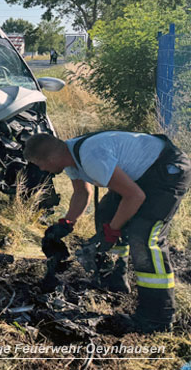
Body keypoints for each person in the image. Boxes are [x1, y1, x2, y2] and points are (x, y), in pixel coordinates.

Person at [24, 131, 190, 333]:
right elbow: (82, 193)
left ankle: (158, 317)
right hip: (144, 175)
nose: (41, 169)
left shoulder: (90, 156)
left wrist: (112, 230)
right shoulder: (69, 156)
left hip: (167, 171)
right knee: (106, 212)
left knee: (144, 237)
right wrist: (67, 223)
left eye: (39, 164)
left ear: (50, 158)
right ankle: (115, 279)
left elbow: (135, 196)